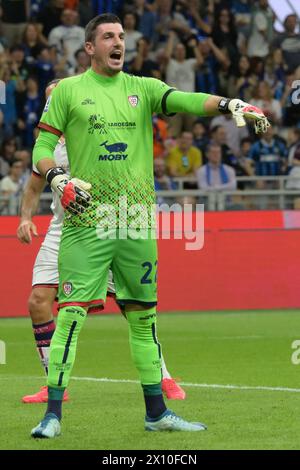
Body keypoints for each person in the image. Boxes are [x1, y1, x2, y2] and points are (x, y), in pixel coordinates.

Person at [30, 13, 269, 438]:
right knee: (70, 317)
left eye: (121, 36)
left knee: (144, 319)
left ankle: (157, 413)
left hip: (136, 221)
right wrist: (57, 177)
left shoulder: (142, 88)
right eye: (108, 36)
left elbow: (188, 101)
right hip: (88, 220)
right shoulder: (67, 91)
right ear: (90, 47)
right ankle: (52, 415)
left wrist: (231, 103)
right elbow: (43, 147)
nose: (118, 42)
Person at [18, 80, 185, 405]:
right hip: (64, 228)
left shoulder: (97, 129)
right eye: (49, 100)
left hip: (107, 227)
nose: (55, 105)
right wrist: (26, 218)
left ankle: (163, 375)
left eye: (59, 98)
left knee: (132, 305)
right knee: (38, 301)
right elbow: (34, 187)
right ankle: (55, 383)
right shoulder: (47, 145)